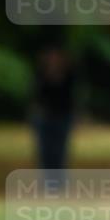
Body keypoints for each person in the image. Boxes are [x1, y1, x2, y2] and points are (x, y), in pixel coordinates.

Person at [29, 45, 76, 186]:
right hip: (44, 118)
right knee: (45, 151)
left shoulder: (69, 75)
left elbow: (71, 97)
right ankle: (47, 182)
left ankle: (58, 182)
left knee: (59, 150)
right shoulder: (40, 74)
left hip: (63, 117)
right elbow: (35, 96)